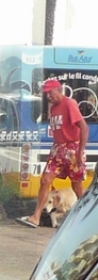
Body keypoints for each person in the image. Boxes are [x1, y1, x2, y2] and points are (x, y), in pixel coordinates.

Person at [22, 78, 88, 227]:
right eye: (46, 94)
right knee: (45, 180)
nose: (48, 96)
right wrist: (52, 155)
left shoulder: (69, 104)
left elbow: (84, 127)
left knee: (77, 186)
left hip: (72, 148)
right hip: (58, 148)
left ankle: (87, 218)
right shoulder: (53, 107)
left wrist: (80, 152)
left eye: (50, 92)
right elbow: (58, 132)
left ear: (59, 90)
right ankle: (36, 216)